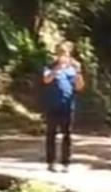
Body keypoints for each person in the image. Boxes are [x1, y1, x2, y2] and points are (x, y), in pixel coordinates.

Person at [41, 42, 85, 173]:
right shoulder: (50, 66)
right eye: (60, 53)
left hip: (67, 106)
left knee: (67, 135)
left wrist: (78, 72)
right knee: (51, 134)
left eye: (65, 53)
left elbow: (79, 87)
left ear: (69, 54)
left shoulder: (73, 68)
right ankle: (51, 162)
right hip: (52, 105)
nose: (63, 56)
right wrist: (57, 69)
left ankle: (66, 163)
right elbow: (46, 80)